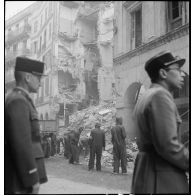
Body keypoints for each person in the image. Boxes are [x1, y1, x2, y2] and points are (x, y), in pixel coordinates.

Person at [131, 51, 189, 193]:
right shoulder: (160, 96)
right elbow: (168, 145)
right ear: (163, 73)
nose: (182, 74)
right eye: (178, 69)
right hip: (162, 177)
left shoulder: (147, 96)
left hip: (146, 173)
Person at [5, 56, 48, 194]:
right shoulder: (18, 101)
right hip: (18, 181)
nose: (40, 83)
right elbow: (21, 144)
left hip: (18, 178)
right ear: (28, 77)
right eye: (38, 78)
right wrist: (32, 178)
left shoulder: (18, 98)